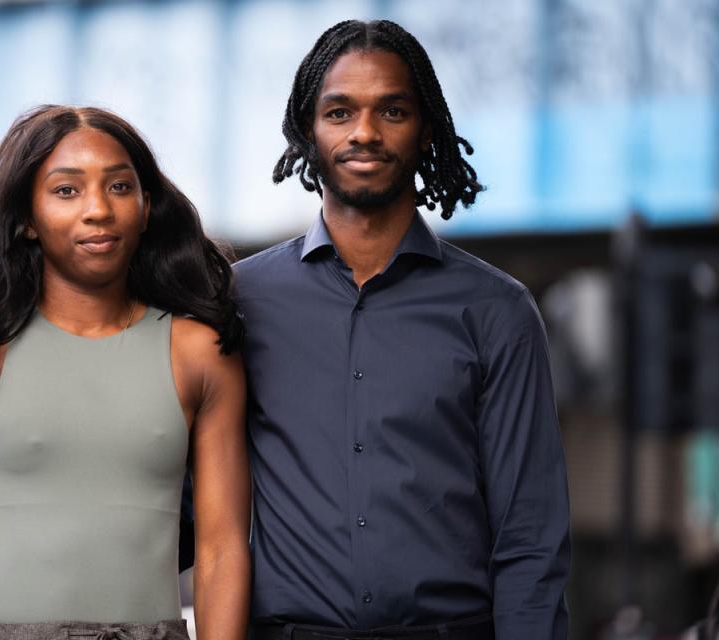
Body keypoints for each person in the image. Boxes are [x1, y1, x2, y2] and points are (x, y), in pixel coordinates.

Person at [234, 20, 570, 640]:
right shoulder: (241, 301)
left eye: (391, 110)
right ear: (308, 130)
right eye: (339, 112)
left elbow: (530, 537)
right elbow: (185, 501)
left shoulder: (498, 311)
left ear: (426, 132)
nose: (364, 132)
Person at [0, 105, 250, 640]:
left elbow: (221, 552)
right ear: (26, 218)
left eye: (119, 187)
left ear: (145, 206)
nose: (98, 210)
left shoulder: (199, 352)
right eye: (67, 190)